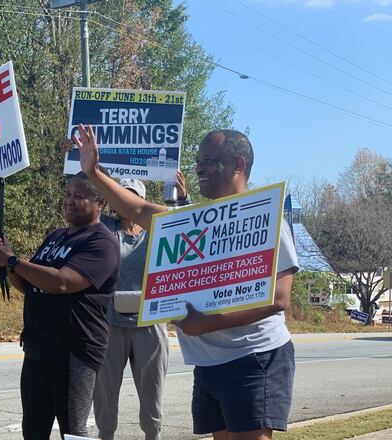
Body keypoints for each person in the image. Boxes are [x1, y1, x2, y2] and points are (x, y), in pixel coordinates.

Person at [74, 124, 298, 440]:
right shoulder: (192, 219)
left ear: (239, 164)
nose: (199, 168)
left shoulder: (265, 215)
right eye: (198, 162)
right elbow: (136, 207)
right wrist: (94, 172)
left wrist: (207, 323)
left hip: (255, 357)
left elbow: (279, 297)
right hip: (208, 364)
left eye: (209, 161)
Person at [0, 171, 120, 439]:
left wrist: (13, 261)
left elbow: (62, 282)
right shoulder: (55, 237)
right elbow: (30, 285)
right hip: (39, 345)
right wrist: (7, 260)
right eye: (68, 194)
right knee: (33, 429)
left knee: (73, 431)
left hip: (74, 348)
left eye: (79, 196)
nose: (69, 200)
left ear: (100, 202)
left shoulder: (102, 242)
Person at [93, 171, 191, 440]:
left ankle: (153, 435)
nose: (126, 202)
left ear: (142, 200)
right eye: (122, 196)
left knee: (152, 394)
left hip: (150, 322)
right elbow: (84, 203)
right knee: (104, 393)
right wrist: (78, 166)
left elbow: (187, 224)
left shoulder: (157, 230)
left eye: (132, 197)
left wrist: (183, 197)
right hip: (111, 323)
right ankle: (105, 436)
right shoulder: (106, 227)